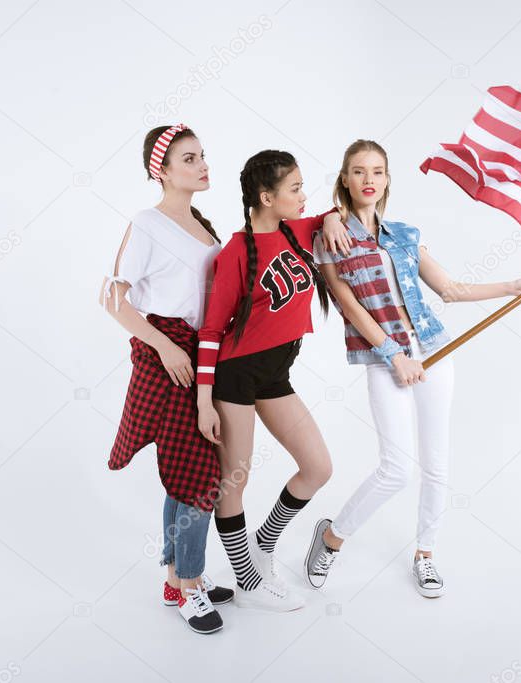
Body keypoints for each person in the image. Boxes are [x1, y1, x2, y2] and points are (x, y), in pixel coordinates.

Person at [304, 139, 521, 597]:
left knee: (437, 466)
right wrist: (393, 355)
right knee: (396, 469)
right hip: (387, 359)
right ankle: (332, 537)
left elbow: (451, 290)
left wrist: (515, 284)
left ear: (388, 179)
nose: (369, 180)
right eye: (359, 171)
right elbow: (349, 305)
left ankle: (426, 554)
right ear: (345, 179)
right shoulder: (330, 237)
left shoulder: (405, 234)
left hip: (434, 351)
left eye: (377, 171)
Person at [196, 150, 350, 611]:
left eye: (303, 187)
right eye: (295, 189)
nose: (304, 197)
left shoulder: (296, 230)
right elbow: (210, 332)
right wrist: (205, 402)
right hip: (236, 377)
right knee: (234, 480)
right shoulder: (235, 253)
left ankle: (263, 543)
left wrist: (335, 217)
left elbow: (333, 212)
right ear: (267, 196)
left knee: (318, 467)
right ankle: (246, 579)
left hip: (275, 373)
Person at [100, 124, 230, 634]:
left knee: (185, 467)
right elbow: (113, 297)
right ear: (163, 170)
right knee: (200, 472)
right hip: (166, 355)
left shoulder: (202, 223)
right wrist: (164, 345)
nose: (202, 164)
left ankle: (176, 580)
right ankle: (191, 586)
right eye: (189, 158)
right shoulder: (148, 222)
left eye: (203, 155)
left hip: (198, 356)